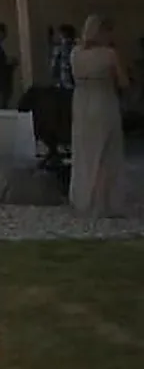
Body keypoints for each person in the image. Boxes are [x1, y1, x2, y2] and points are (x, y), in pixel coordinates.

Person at [69, 15, 129, 218]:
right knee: (106, 153)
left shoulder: (75, 53)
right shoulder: (109, 54)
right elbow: (123, 82)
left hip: (81, 103)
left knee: (85, 153)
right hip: (103, 102)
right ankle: (103, 204)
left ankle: (84, 199)